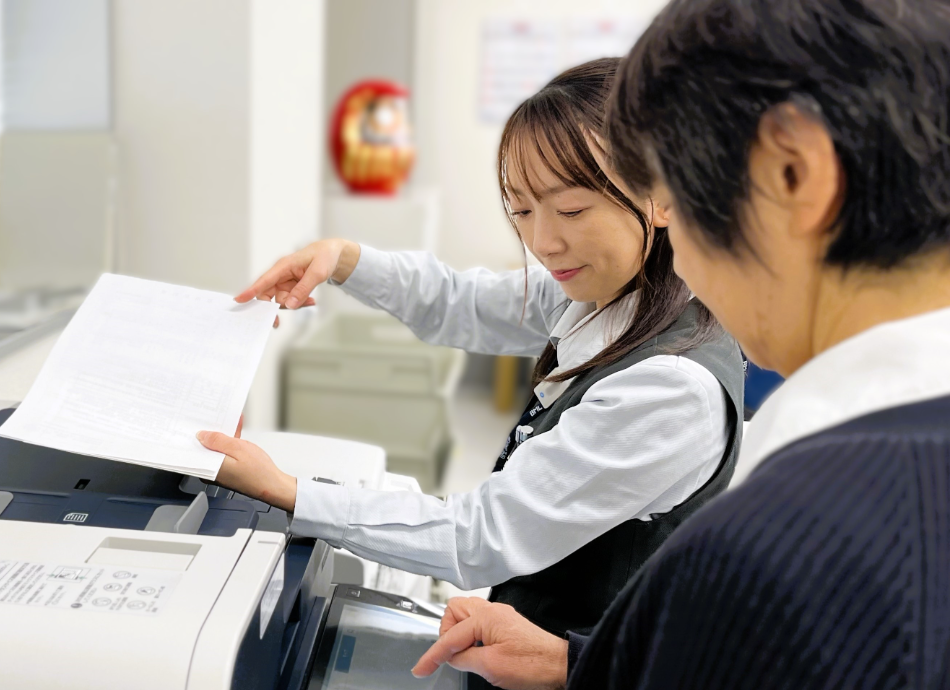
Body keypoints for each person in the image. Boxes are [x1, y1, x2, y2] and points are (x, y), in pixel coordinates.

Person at [412, 0, 950, 688]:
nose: (681, 260)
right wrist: (579, 664)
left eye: (671, 200)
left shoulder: (787, 548)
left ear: (794, 173)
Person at [198, 59, 744, 641]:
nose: (543, 242)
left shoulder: (671, 387)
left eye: (573, 210)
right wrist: (343, 259)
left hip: (565, 656)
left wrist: (286, 492)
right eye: (523, 211)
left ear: (662, 197)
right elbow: (463, 302)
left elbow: (482, 535)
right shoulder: (610, 289)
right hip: (519, 613)